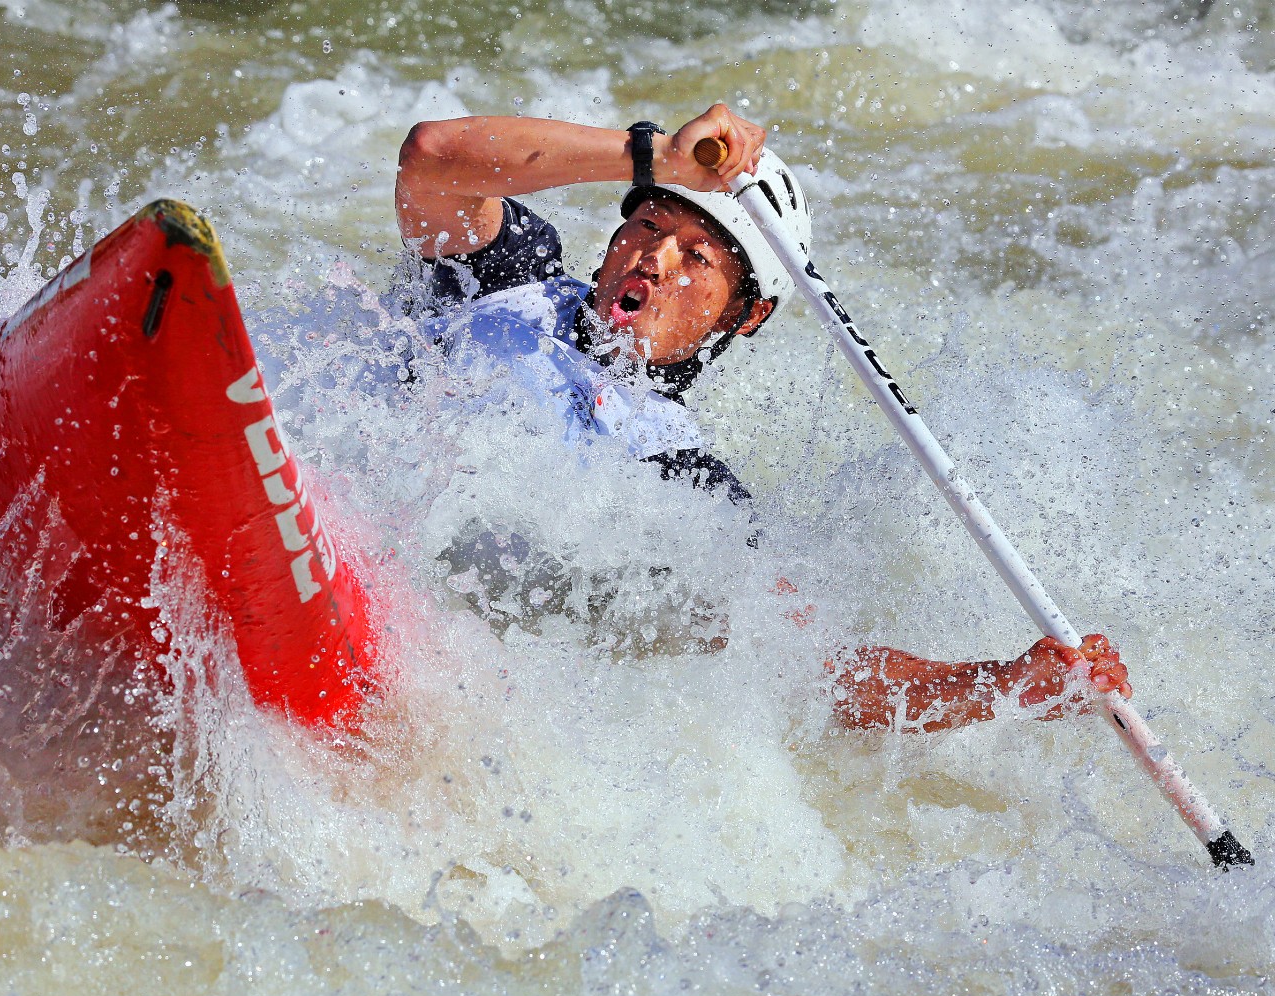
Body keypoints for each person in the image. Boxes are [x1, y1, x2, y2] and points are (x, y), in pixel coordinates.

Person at [394, 105, 1131, 732]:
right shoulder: (506, 269)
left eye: (698, 257)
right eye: (649, 223)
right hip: (365, 499)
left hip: (428, 626)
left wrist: (1001, 686)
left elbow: (824, 671)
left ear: (745, 318)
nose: (655, 259)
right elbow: (430, 158)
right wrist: (651, 157)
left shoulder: (689, 482)